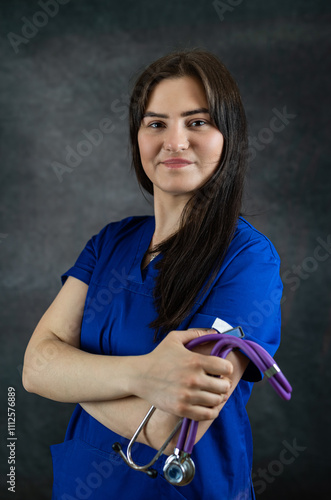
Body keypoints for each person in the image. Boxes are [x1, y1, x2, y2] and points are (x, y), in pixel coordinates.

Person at [22, 48, 283, 499]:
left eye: (197, 122)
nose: (174, 141)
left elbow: (169, 429)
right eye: (156, 123)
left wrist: (68, 375)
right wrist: (146, 376)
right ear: (137, 137)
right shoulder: (111, 242)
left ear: (230, 136)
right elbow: (33, 369)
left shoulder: (248, 260)